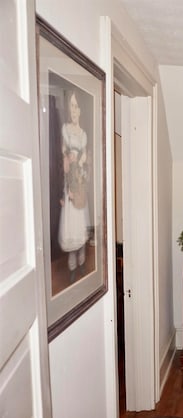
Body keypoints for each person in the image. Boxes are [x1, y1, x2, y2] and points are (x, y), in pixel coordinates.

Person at [58, 90, 90, 282]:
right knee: (71, 225)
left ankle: (82, 262)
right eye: (71, 106)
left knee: (81, 223)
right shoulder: (65, 130)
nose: (74, 110)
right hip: (70, 182)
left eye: (76, 106)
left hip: (80, 183)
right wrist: (69, 162)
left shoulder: (83, 134)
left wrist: (81, 163)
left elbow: (85, 159)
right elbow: (64, 160)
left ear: (80, 109)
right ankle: (72, 266)